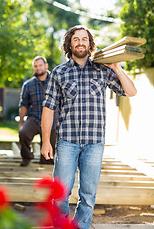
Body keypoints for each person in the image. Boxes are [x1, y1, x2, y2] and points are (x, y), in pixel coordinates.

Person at [41, 25, 137, 229]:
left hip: (94, 143)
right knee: (60, 194)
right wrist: (46, 141)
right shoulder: (59, 73)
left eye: (84, 39)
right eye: (76, 39)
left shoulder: (103, 71)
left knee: (88, 194)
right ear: (69, 44)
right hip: (67, 142)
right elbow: (48, 108)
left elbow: (131, 92)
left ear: (90, 43)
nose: (80, 42)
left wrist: (116, 68)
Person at [18, 56, 56, 166]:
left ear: (46, 66)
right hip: (34, 118)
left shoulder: (55, 82)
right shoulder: (28, 85)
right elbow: (23, 105)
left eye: (40, 65)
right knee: (23, 133)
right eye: (35, 66)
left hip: (51, 121)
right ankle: (27, 157)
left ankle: (45, 161)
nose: (38, 68)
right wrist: (21, 123)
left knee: (47, 160)